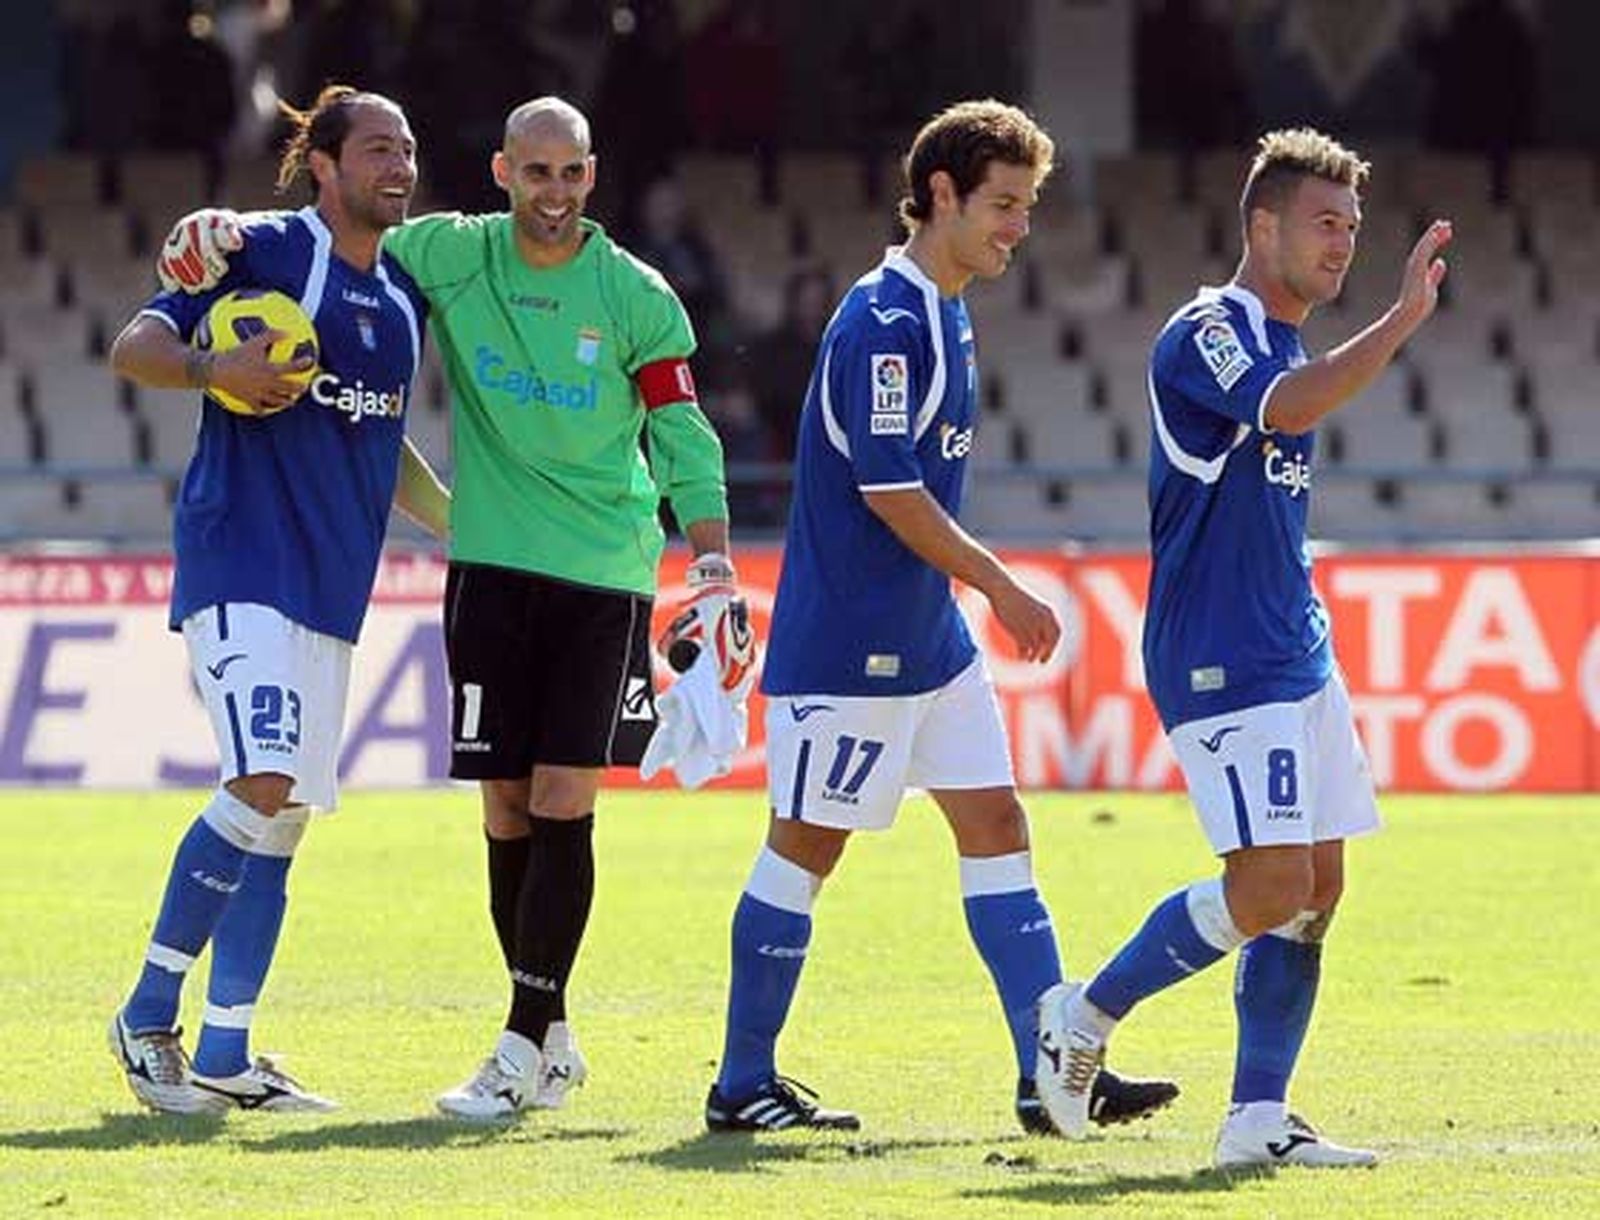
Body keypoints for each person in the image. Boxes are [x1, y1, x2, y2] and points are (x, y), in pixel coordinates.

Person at [156, 95, 741, 1121]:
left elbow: (684, 431)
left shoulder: (640, 295)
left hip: (602, 571)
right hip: (486, 570)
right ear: (505, 172)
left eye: (571, 174)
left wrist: (714, 558)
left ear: (591, 178)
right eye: (535, 172)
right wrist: (219, 230)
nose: (553, 192)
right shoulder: (446, 255)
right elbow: (330, 240)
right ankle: (550, 1035)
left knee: (564, 800)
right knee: (504, 808)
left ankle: (519, 1039)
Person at [703, 99, 1178, 1136]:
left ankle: (1052, 1075)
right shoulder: (883, 318)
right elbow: (887, 486)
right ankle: (740, 1081)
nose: (1017, 226)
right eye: (1003, 205)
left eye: (1026, 207)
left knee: (998, 825)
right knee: (804, 846)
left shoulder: (945, 310)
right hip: (851, 642)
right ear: (942, 195)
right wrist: (1000, 583)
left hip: (926, 641)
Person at [1033, 128, 1451, 1167]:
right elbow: (1283, 407)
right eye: (1323, 221)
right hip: (1218, 648)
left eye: (1352, 226)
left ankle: (1256, 1118)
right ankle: (1081, 1015)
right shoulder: (1209, 328)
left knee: (1318, 886)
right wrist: (1401, 321)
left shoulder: (1287, 342)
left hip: (1290, 643)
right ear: (1259, 224)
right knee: (1267, 885)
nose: (1342, 243)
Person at [108, 85, 449, 1114]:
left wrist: (473, 530)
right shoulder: (258, 250)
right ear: (326, 165)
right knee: (259, 778)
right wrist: (215, 363)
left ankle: (226, 1052)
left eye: (408, 148)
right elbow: (134, 346)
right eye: (378, 148)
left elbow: (383, 443)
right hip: (243, 562)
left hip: (332, 589)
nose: (398, 166)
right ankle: (146, 1013)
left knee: (287, 814)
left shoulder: (397, 302)